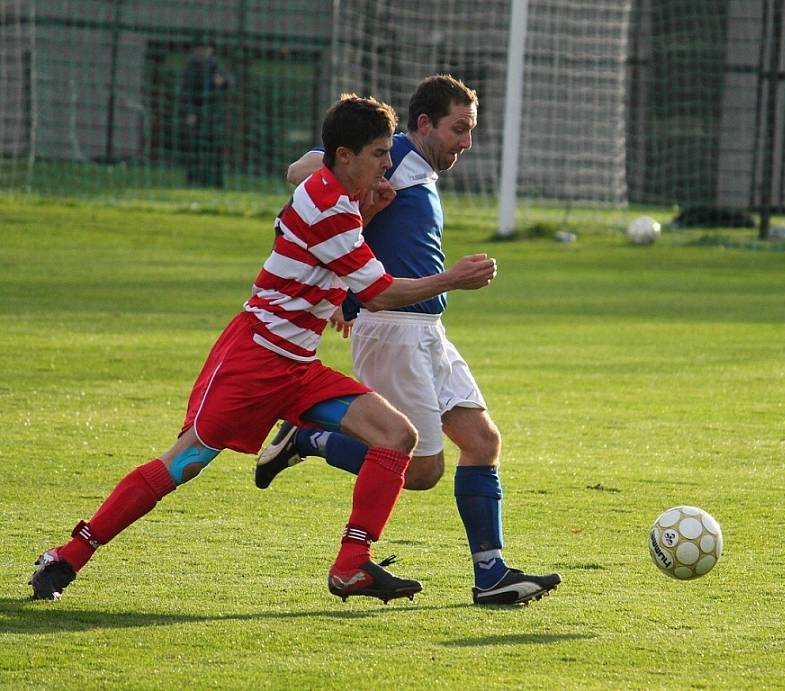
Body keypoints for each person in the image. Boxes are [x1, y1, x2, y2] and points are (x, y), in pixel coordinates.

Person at [29, 94, 498, 603]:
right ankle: (69, 553)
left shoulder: (341, 200)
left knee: (396, 436)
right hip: (253, 361)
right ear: (345, 156)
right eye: (380, 154)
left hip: (298, 365)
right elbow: (378, 290)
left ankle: (352, 565)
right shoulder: (328, 206)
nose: (389, 165)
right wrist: (452, 278)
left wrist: (366, 211)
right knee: (182, 464)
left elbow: (326, 241)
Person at [255, 75, 562, 606]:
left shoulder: (417, 169)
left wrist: (346, 301)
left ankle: (491, 575)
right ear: (424, 124)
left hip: (427, 331)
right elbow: (301, 169)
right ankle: (308, 437)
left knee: (482, 442)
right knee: (420, 471)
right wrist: (341, 180)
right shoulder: (393, 152)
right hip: (393, 332)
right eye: (457, 129)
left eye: (470, 130)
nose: (465, 141)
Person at [178, 39, 232, 188]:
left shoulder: (216, 66)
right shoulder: (190, 68)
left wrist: (223, 82)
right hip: (197, 115)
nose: (202, 52)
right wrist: (189, 112)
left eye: (205, 49)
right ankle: (193, 180)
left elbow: (230, 82)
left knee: (216, 150)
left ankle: (216, 182)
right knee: (195, 148)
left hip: (214, 117)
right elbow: (184, 92)